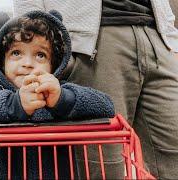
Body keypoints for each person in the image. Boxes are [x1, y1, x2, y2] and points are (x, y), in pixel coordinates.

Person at [13, 0, 178, 179]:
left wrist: (172, 41)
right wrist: (34, 44)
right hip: (94, 40)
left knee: (173, 154)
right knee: (103, 162)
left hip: (158, 38)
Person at [0, 10, 115, 179]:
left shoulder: (59, 92)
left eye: (40, 55)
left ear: (54, 64)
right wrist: (14, 104)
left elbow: (106, 106)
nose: (28, 64)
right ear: (2, 61)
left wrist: (63, 100)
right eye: (16, 53)